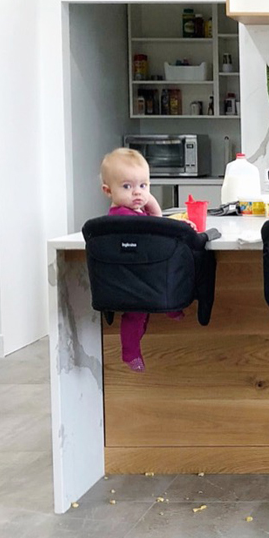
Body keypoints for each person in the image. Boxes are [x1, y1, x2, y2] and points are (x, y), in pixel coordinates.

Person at [100, 147, 180, 372]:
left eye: (143, 186)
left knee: (142, 315)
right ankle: (130, 352)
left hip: (140, 272)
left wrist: (148, 201)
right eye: (127, 186)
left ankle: (169, 306)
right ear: (108, 191)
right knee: (135, 315)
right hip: (130, 278)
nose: (137, 193)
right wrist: (151, 204)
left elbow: (156, 224)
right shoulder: (122, 217)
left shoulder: (134, 213)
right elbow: (156, 226)